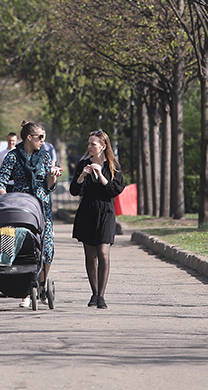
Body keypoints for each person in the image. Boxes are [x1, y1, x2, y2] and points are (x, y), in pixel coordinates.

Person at [0, 121, 61, 307]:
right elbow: (0, 182)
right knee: (21, 248)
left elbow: (50, 186)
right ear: (29, 137)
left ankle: (39, 287)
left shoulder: (45, 157)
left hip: (41, 208)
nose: (43, 141)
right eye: (40, 137)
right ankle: (24, 290)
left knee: (46, 250)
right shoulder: (13, 156)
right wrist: (6, 203)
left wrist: (53, 174)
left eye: (44, 137)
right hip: (20, 207)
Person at [70, 129, 127, 309]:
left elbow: (115, 190)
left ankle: (101, 296)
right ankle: (94, 293)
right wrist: (82, 176)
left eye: (93, 144)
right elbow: (73, 191)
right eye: (89, 144)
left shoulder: (113, 165)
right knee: (90, 255)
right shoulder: (83, 164)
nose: (89, 147)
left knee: (103, 252)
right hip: (87, 212)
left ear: (103, 146)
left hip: (106, 212)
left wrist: (101, 176)